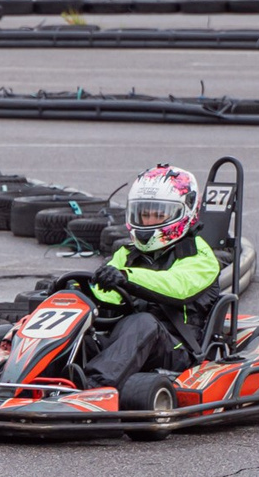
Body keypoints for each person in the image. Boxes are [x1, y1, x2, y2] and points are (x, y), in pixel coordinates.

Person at [80, 163, 224, 390]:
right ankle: (24, 381)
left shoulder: (200, 256)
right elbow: (106, 297)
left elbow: (177, 287)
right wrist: (78, 292)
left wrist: (126, 278)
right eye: (144, 214)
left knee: (143, 322)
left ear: (184, 211)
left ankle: (93, 388)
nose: (149, 222)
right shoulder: (126, 254)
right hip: (125, 341)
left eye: (159, 214)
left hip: (177, 348)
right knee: (80, 326)